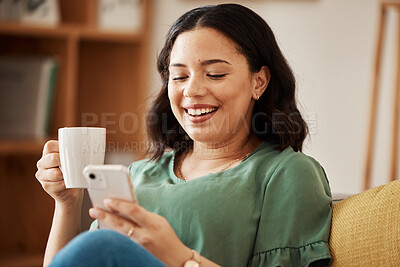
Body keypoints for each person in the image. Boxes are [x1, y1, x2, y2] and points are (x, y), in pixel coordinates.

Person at [35, 3, 332, 267]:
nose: (191, 91)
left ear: (259, 82)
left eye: (215, 74)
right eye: (179, 76)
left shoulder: (286, 174)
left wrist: (177, 256)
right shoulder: (139, 174)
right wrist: (68, 203)